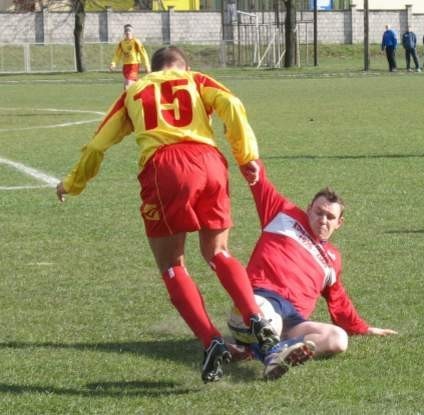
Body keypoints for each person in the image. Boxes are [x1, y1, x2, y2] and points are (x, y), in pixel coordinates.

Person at [56, 46, 281, 383]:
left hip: (167, 168)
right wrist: (247, 155)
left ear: (152, 69)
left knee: (173, 266)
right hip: (210, 163)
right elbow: (232, 105)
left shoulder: (135, 89)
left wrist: (73, 183)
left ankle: (212, 341)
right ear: (183, 66)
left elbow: (97, 145)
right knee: (218, 252)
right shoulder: (196, 79)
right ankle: (255, 317)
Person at [226, 161, 397, 380]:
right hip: (257, 302)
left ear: (339, 223)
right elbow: (259, 181)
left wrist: (364, 329)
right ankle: (269, 353)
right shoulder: (282, 213)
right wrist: (251, 161)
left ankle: (257, 351)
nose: (322, 220)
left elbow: (339, 300)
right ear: (309, 209)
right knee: (270, 320)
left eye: (330, 217)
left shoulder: (332, 259)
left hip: (293, 321)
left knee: (338, 339)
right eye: (318, 212)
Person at [110, 24, 151, 89]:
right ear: (124, 32)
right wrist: (113, 63)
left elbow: (143, 54)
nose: (127, 32)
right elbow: (117, 55)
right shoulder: (121, 43)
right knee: (129, 86)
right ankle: (139, 90)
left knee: (127, 86)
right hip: (125, 66)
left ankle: (132, 95)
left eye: (129, 30)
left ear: (132, 32)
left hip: (134, 65)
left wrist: (147, 66)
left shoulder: (136, 42)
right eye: (126, 30)